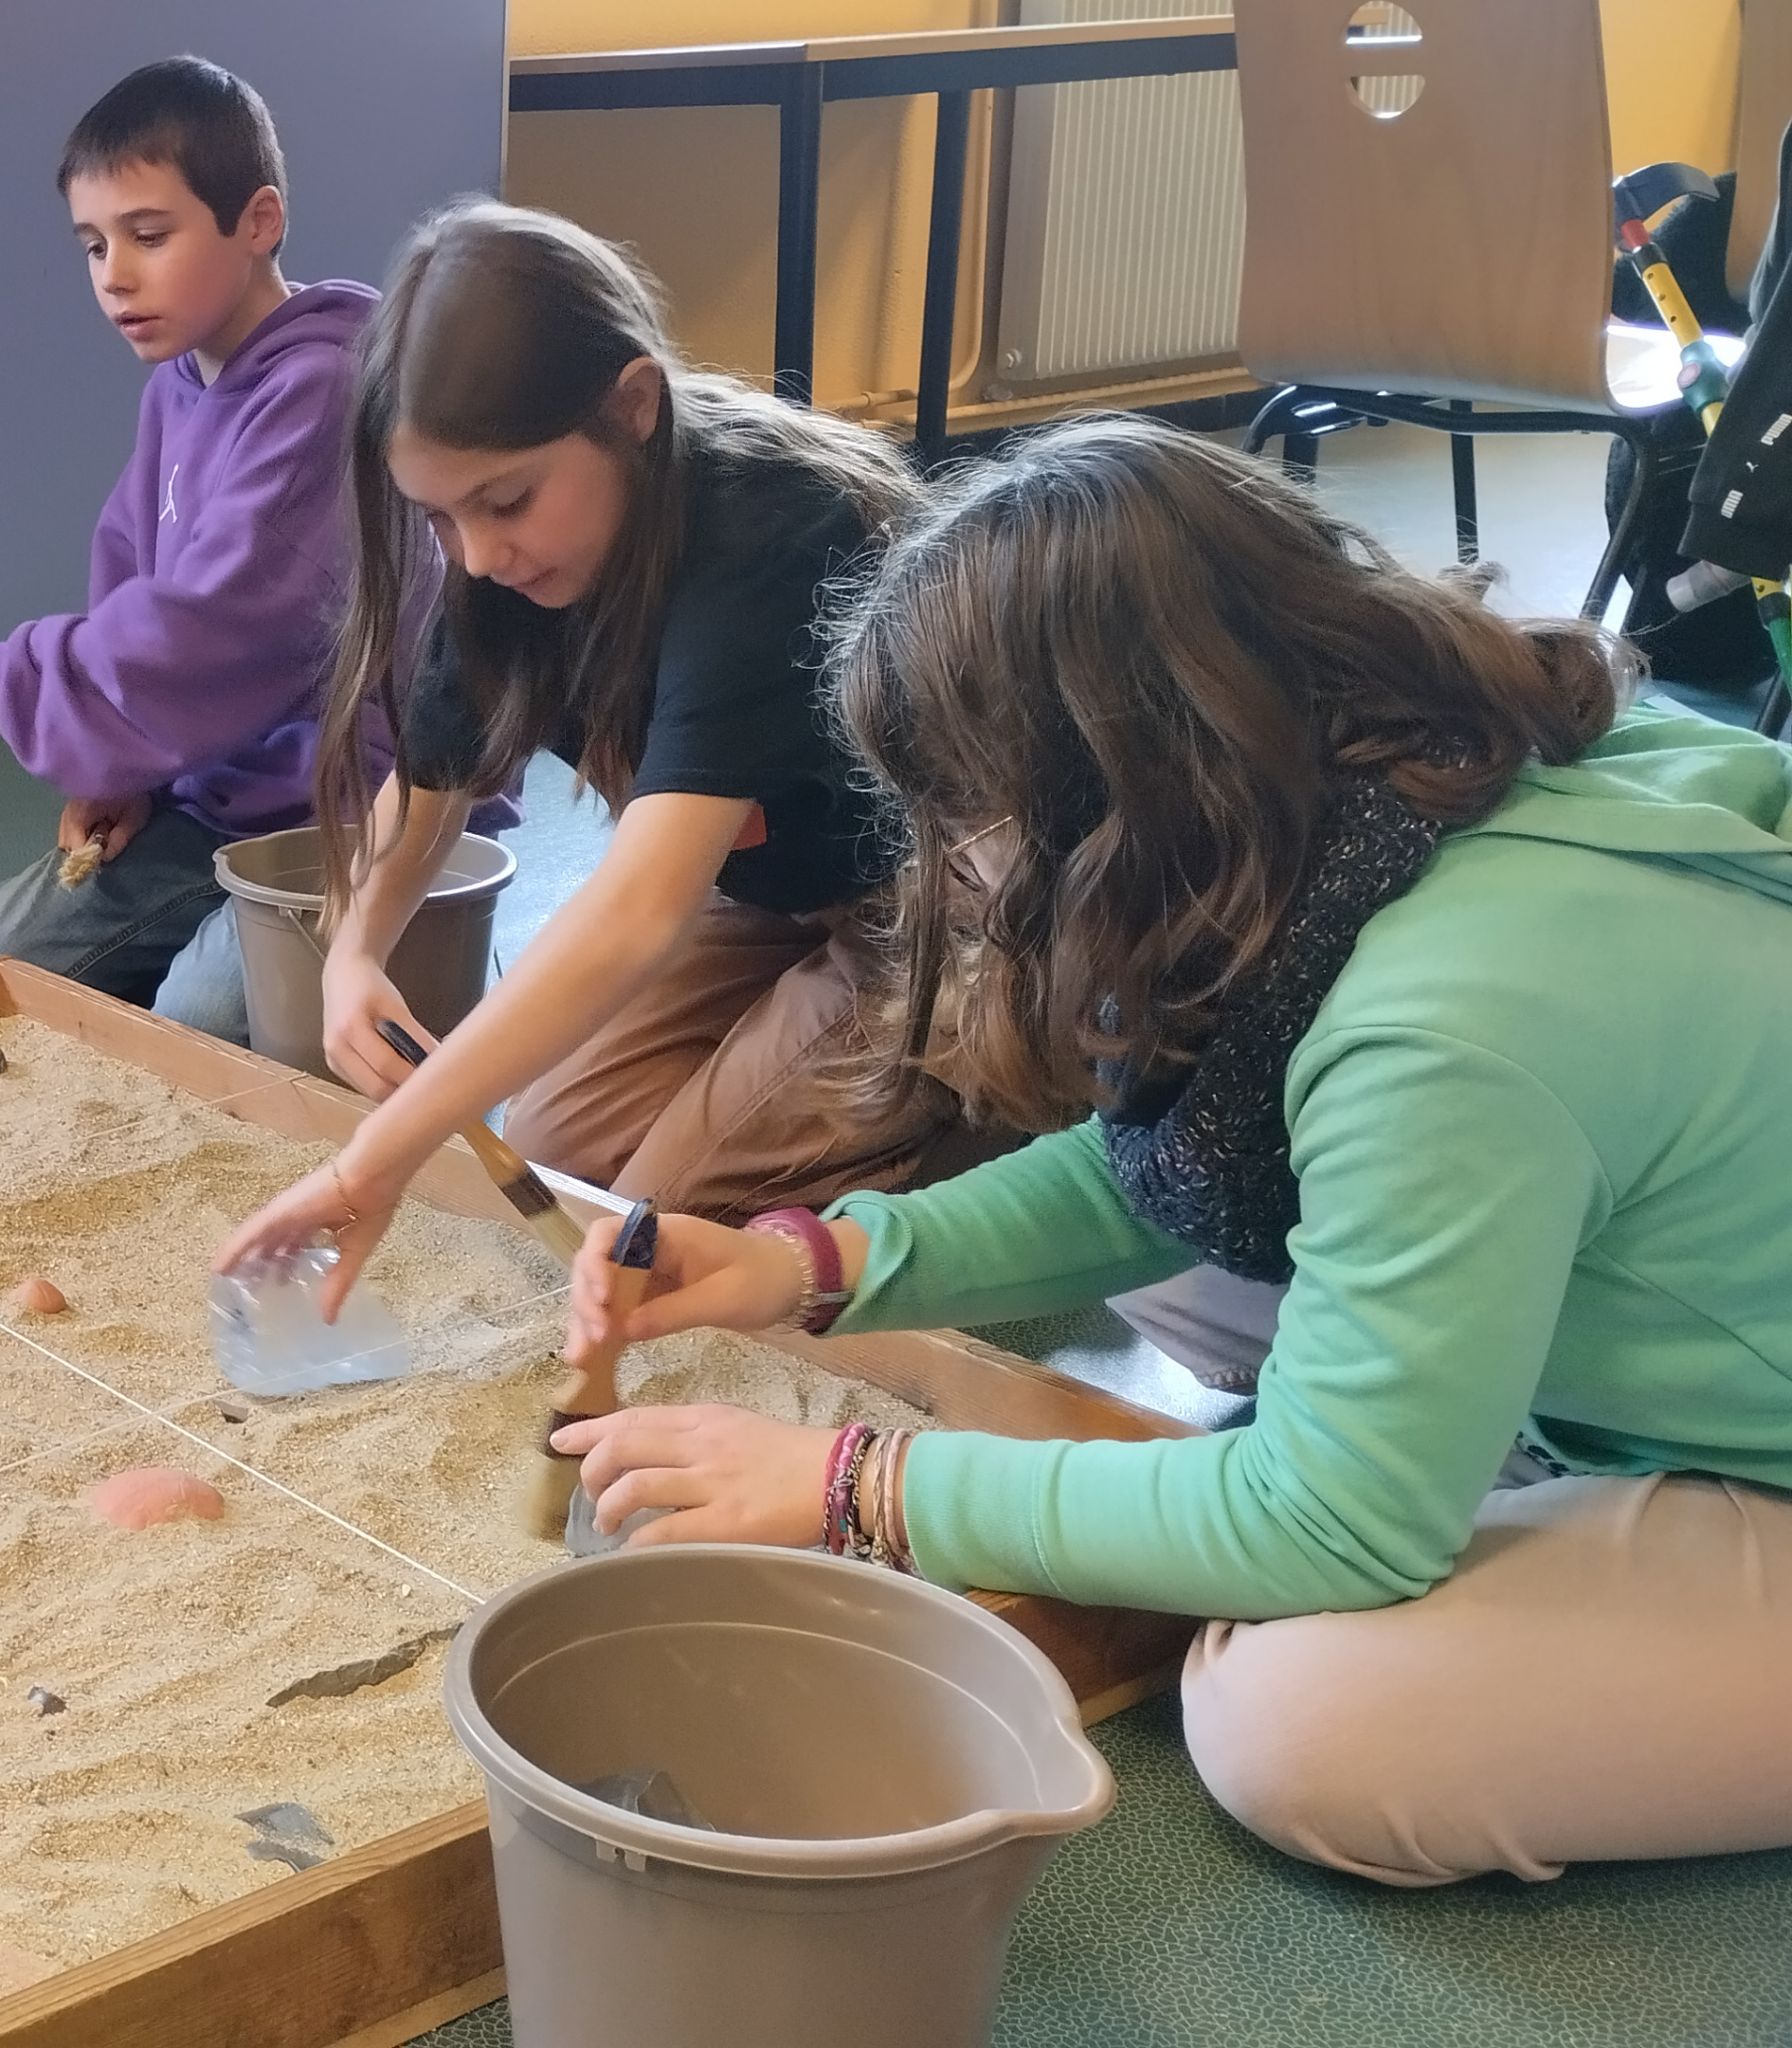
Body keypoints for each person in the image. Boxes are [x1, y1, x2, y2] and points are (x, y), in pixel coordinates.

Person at [555, 418, 1792, 1887]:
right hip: (1682, 1294)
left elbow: (1335, 1524)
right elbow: (1169, 1161)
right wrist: (814, 1260)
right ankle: (1522, 1468)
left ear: (1113, 793)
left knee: (1298, 1727)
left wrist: (860, 1486)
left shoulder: (1446, 1024)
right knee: (1197, 1254)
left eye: (971, 816)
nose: (957, 865)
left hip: (1753, 1453)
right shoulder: (1386, 780)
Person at [218, 201, 971, 1301]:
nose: (477, 555)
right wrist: (354, 952)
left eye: (505, 501)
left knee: (667, 1221)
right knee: (559, 1156)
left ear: (633, 409)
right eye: (439, 518)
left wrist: (378, 1153)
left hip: (942, 902)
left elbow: (634, 913)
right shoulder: (505, 558)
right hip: (773, 885)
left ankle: (997, 1104)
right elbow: (424, 792)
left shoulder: (769, 534)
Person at [0, 57, 464, 1040]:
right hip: (214, 800)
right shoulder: (179, 383)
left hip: (347, 818)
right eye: (94, 245)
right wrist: (127, 771)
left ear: (258, 222)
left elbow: (199, 633)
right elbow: (132, 578)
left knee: (204, 1018)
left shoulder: (320, 389)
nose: (114, 276)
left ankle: (420, 965)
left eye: (149, 235)